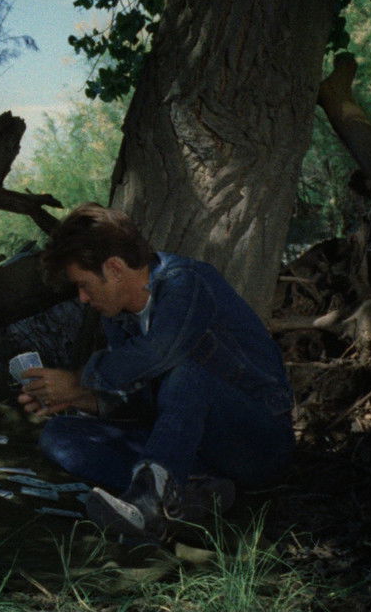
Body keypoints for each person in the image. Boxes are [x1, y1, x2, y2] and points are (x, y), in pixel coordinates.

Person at [17, 203, 293, 541]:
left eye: (85, 285)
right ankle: (194, 494)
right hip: (189, 449)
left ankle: (149, 504)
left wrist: (77, 380)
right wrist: (82, 399)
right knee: (59, 435)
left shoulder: (186, 282)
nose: (83, 298)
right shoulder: (117, 316)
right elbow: (147, 402)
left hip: (258, 444)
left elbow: (158, 354)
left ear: (115, 268)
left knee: (187, 372)